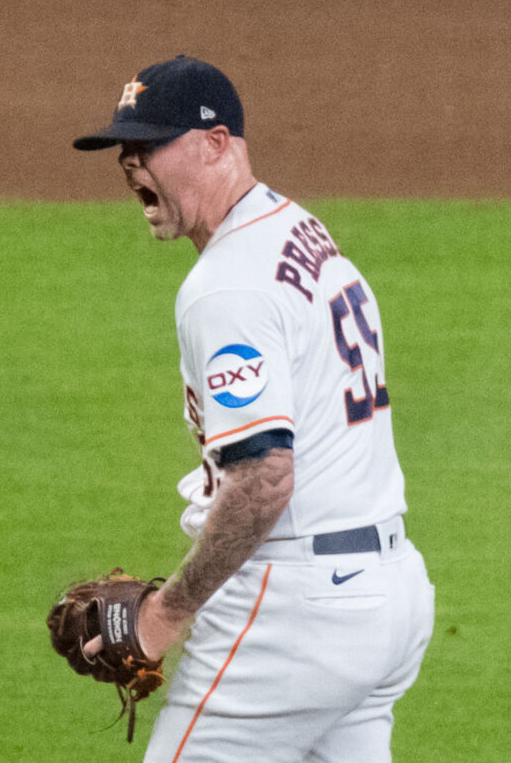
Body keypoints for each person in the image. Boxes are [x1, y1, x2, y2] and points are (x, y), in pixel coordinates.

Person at [73, 55, 435, 763]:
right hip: (388, 594)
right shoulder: (296, 228)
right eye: (124, 148)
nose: (129, 163)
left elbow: (265, 478)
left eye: (149, 144)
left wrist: (165, 613)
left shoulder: (226, 286)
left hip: (297, 614)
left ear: (217, 144)